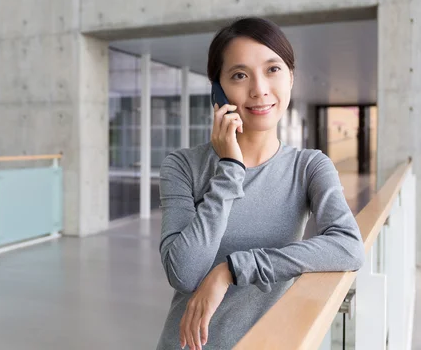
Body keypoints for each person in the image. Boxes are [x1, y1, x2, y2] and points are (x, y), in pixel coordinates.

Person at [155, 17, 366, 350]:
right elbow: (184, 273)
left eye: (272, 69)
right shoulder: (182, 166)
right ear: (218, 89)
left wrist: (232, 270)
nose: (259, 89)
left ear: (291, 78)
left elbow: (348, 247)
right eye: (240, 75)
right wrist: (230, 169)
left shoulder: (309, 167)